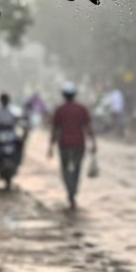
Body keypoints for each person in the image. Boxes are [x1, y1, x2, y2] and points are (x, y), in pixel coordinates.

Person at [48, 81, 95, 210]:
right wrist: (93, 143)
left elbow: (55, 129)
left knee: (65, 170)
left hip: (64, 144)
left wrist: (50, 147)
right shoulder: (82, 109)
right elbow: (88, 127)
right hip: (79, 144)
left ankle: (70, 192)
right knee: (77, 169)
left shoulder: (60, 110)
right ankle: (73, 191)